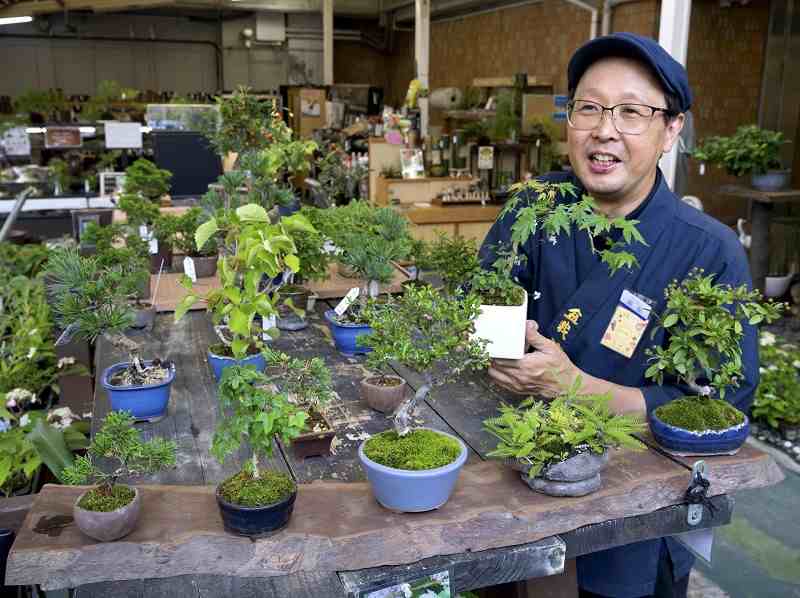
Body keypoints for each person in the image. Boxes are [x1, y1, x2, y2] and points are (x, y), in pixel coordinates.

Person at [480, 32, 758, 598]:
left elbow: (720, 406)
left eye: (632, 112)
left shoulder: (706, 249)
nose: (604, 129)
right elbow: (482, 302)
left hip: (633, 509)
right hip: (516, 481)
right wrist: (497, 350)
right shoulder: (535, 208)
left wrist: (573, 386)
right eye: (588, 107)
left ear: (671, 130)